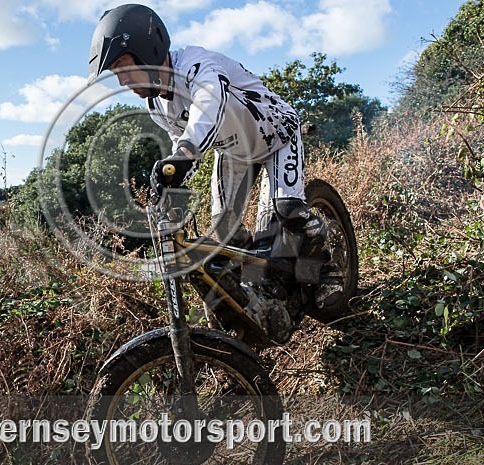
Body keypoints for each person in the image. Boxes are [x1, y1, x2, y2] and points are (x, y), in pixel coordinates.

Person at [88, 3, 340, 306]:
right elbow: (180, 144)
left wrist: (184, 151)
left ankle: (328, 270)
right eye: (117, 73)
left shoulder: (198, 66)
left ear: (148, 50)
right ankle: (262, 278)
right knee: (225, 234)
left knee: (288, 211)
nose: (123, 81)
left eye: (124, 68)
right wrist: (171, 181)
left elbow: (209, 105)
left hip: (278, 136)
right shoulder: (156, 106)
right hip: (234, 152)